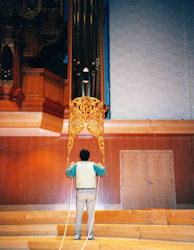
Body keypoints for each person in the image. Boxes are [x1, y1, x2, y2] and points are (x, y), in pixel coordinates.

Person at [66, 149, 106, 240]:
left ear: (80, 156)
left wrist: (70, 166)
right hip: (91, 192)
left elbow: (69, 173)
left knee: (79, 214)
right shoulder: (93, 165)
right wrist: (101, 165)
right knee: (91, 214)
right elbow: (102, 172)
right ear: (89, 156)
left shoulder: (76, 165)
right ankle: (90, 234)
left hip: (80, 192)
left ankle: (77, 234)